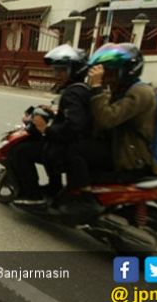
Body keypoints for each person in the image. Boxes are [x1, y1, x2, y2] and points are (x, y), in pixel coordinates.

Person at [8, 44, 93, 202]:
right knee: (43, 145)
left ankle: (33, 196)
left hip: (67, 148)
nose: (57, 74)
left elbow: (73, 127)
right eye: (56, 70)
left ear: (74, 70)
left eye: (62, 70)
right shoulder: (81, 88)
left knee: (20, 152)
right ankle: (54, 187)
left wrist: (45, 129)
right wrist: (54, 112)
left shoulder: (72, 93)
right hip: (76, 145)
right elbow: (76, 116)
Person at [86, 42, 157, 178]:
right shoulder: (121, 90)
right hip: (120, 148)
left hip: (133, 159)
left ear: (127, 71)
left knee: (77, 151)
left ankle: (83, 195)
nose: (107, 76)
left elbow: (106, 120)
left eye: (112, 72)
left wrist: (97, 86)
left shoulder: (140, 92)